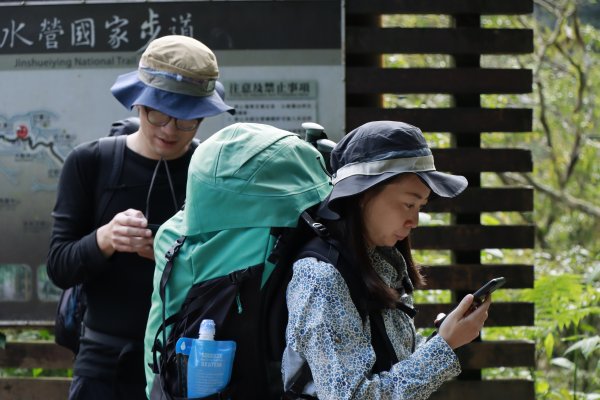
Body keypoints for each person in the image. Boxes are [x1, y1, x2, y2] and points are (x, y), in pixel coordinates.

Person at [47, 35, 234, 400]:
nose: (169, 130)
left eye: (186, 121)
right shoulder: (90, 163)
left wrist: (172, 258)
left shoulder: (210, 172)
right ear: (139, 102)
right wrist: (104, 239)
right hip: (103, 361)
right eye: (159, 113)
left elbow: (227, 274)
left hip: (184, 359)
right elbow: (59, 267)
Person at [282, 120, 491, 399]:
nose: (414, 220)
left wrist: (441, 342)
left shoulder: (381, 261)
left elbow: (391, 366)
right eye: (408, 204)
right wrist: (444, 345)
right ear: (363, 195)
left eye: (420, 207)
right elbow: (352, 395)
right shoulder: (321, 277)